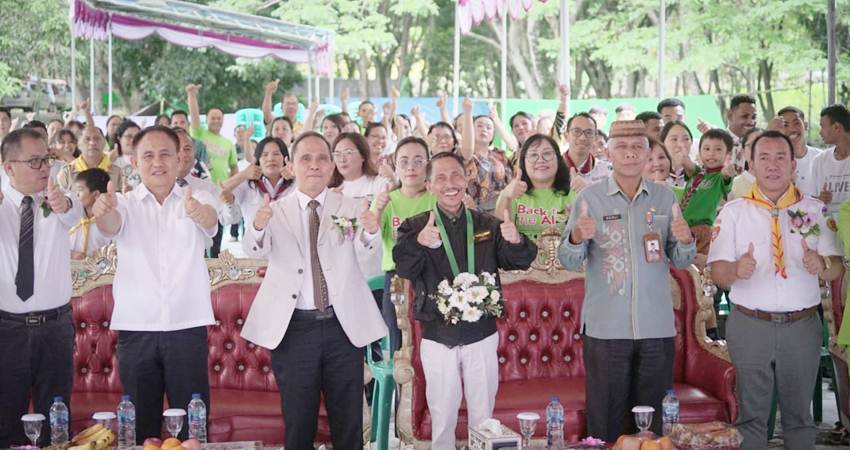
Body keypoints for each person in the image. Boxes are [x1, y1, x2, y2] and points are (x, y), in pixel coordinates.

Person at [240, 131, 387, 449]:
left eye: (322, 157)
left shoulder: (349, 207)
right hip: (294, 329)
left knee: (348, 422)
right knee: (298, 423)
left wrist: (371, 232)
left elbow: (365, 250)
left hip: (342, 325)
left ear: (332, 164)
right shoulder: (275, 209)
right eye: (306, 158)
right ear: (291, 166)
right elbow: (254, 250)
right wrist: (258, 225)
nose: (315, 165)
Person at [559, 120, 696, 442]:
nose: (630, 154)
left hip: (656, 327)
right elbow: (569, 261)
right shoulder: (589, 199)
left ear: (649, 153)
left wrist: (686, 239)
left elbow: (681, 260)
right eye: (622, 147)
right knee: (606, 422)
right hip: (606, 329)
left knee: (651, 426)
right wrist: (577, 237)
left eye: (638, 147)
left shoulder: (665, 198)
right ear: (607, 151)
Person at [708, 130, 843, 450]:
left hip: (802, 326)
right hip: (750, 324)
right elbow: (718, 272)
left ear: (793, 164)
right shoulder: (735, 212)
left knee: (799, 419)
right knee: (751, 418)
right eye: (764, 158)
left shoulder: (806, 210)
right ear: (751, 164)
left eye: (780, 157)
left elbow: (836, 266)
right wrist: (735, 270)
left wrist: (821, 265)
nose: (773, 165)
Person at [394, 152, 537, 450]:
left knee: (483, 416)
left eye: (456, 175)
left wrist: (515, 240)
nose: (450, 183)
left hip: (481, 334)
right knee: (442, 416)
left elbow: (517, 261)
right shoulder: (414, 226)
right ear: (430, 184)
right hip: (438, 334)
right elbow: (404, 267)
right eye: (441, 178)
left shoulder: (487, 223)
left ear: (467, 180)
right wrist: (419, 242)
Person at [92, 126, 218, 442]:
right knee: (139, 428)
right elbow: (110, 226)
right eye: (148, 155)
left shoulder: (198, 195)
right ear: (134, 162)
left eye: (165, 154)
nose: (157, 162)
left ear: (179, 159)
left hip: (186, 326)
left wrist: (198, 213)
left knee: (192, 428)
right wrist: (102, 212)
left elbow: (211, 221)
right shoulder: (123, 202)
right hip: (137, 329)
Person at [0, 128, 83, 447]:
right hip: (8, 329)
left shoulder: (55, 203)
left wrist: (63, 205)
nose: (45, 168)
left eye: (47, 159)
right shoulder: (4, 205)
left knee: (56, 419)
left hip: (55, 328)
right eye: (34, 162)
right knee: (7, 417)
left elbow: (74, 213)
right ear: (9, 167)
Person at [373, 136, 435, 353]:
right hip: (397, 280)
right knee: (396, 342)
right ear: (395, 166)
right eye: (404, 161)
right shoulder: (385, 200)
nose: (411, 167)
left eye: (419, 161)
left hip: (433, 277)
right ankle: (399, 389)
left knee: (430, 342)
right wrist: (376, 213)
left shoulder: (437, 199)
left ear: (428, 164)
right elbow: (371, 237)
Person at [495, 134, 575, 242]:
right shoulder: (512, 193)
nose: (540, 160)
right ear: (524, 162)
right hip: (521, 257)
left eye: (547, 154)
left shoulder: (572, 193)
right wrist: (506, 196)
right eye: (533, 155)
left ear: (558, 159)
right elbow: (499, 236)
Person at [675, 128, 736, 259]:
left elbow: (726, 177)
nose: (711, 154)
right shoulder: (698, 173)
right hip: (684, 228)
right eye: (706, 149)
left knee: (698, 265)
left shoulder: (719, 177)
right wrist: (683, 154)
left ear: (728, 155)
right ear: (700, 152)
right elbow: (688, 164)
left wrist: (727, 172)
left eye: (718, 149)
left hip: (701, 229)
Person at [220, 136, 294, 241]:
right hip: (255, 251)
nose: (270, 158)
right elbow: (219, 190)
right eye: (264, 154)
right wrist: (244, 174)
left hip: (289, 251)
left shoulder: (297, 185)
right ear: (258, 160)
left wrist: (298, 176)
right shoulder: (247, 184)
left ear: (285, 158)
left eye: (276, 154)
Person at [460, 99, 510, 213]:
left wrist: (496, 119)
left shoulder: (500, 155)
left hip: (499, 212)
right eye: (479, 126)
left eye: (489, 127)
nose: (484, 129)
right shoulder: (464, 154)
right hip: (471, 212)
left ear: (493, 134)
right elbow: (467, 150)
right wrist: (468, 113)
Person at [769, 107, 821, 197]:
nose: (792, 129)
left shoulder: (820, 157)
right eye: (785, 125)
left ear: (805, 125)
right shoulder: (775, 162)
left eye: (796, 123)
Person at [56, 125, 124, 192]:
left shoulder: (117, 172)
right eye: (87, 139)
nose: (92, 143)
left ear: (104, 143)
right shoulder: (67, 173)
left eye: (97, 138)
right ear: (78, 144)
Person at [811, 104, 850, 219]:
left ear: (837, 127)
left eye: (822, 126)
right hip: (827, 229)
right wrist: (819, 200)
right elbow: (811, 202)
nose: (820, 132)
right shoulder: (819, 161)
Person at [69, 168, 112, 259]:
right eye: (74, 191)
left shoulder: (110, 223)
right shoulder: (71, 217)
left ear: (96, 194)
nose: (75, 195)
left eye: (79, 190)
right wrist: (70, 254)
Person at [564, 113, 610, 192]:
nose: (582, 138)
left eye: (589, 133)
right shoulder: (551, 169)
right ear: (566, 136)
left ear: (595, 137)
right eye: (576, 131)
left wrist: (589, 192)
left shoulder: (607, 172)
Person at [171, 109, 210, 177]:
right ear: (171, 125)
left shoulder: (199, 144)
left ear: (188, 124)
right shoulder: (166, 145)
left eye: (182, 122)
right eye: (175, 123)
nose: (179, 125)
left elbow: (206, 167)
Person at [730, 128, 764, 200]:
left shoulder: (783, 181)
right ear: (743, 151)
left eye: (763, 144)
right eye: (753, 145)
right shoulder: (733, 186)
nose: (758, 150)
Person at [660, 120, 694, 188]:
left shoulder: (702, 174)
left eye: (686, 139)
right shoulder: (654, 171)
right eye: (674, 139)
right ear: (662, 143)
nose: (681, 144)